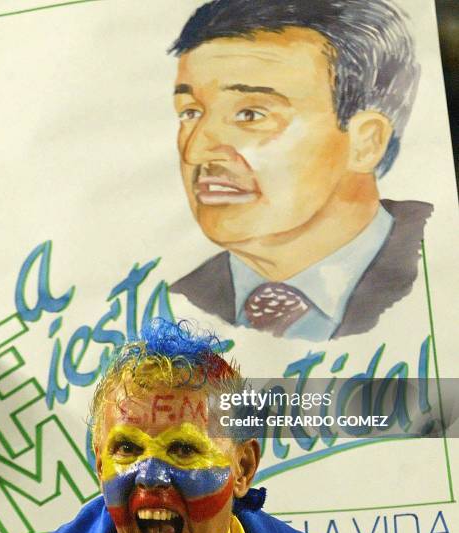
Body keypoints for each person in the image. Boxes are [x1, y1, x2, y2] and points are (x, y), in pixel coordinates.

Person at [0, 319, 434, 533]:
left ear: (243, 468)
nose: (150, 475)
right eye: (127, 449)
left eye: (184, 449)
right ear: (98, 462)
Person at [169, 0, 433, 341]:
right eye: (190, 112)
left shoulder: (437, 273)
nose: (196, 150)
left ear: (365, 142)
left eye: (250, 115)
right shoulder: (175, 303)